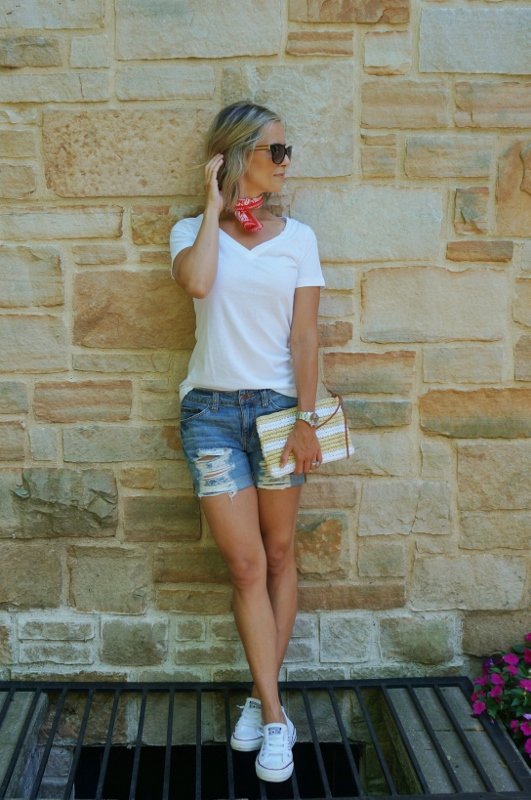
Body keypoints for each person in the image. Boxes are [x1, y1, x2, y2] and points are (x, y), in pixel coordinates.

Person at [169, 101, 325, 783]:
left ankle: (263, 704)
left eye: (286, 151)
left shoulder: (299, 239)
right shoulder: (190, 232)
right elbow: (199, 282)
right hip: (209, 415)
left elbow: (305, 337)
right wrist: (213, 203)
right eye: (275, 151)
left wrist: (306, 419)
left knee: (280, 553)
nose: (286, 162)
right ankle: (275, 713)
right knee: (244, 565)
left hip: (277, 414)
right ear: (236, 156)